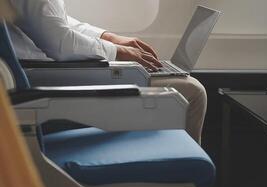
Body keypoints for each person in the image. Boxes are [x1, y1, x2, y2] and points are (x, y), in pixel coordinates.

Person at [8, 0, 207, 144]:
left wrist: (109, 37)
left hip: (55, 73)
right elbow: (61, 43)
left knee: (184, 85)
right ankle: (180, 175)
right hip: (49, 82)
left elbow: (55, 20)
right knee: (192, 91)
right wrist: (118, 51)